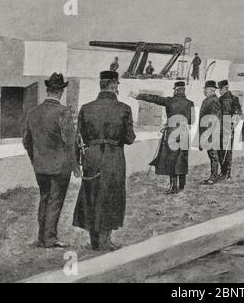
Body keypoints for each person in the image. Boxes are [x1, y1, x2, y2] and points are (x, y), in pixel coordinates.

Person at [73, 71, 136, 251]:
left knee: (91, 193)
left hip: (91, 155)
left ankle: (95, 241)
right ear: (114, 85)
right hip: (113, 156)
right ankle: (105, 240)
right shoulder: (124, 109)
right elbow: (130, 138)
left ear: (101, 84)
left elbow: (78, 137)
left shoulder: (86, 108)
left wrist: (77, 161)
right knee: (111, 196)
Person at [23, 72, 80, 248]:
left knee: (44, 198)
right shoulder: (63, 112)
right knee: (55, 201)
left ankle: (42, 237)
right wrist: (75, 165)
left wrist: (35, 159)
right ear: (61, 92)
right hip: (59, 167)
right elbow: (70, 142)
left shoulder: (33, 112)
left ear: (47, 91)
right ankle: (50, 238)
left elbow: (26, 141)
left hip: (40, 167)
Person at [131, 81, 194, 194]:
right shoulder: (190, 103)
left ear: (176, 90)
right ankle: (182, 185)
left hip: (172, 132)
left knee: (172, 159)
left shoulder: (169, 101)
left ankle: (173, 186)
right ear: (183, 90)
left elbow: (154, 98)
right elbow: (192, 121)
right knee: (182, 158)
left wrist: (138, 96)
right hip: (184, 132)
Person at [218, 79, 243, 180]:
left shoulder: (234, 98)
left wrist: (234, 122)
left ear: (226, 88)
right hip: (220, 126)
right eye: (219, 89)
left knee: (227, 150)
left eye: (221, 89)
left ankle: (227, 172)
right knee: (220, 150)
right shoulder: (219, 99)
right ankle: (222, 171)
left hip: (228, 127)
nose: (220, 91)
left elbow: (238, 112)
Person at [199, 80, 222, 185]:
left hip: (211, 132)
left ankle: (214, 177)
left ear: (211, 90)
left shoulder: (213, 100)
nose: (204, 91)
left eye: (206, 89)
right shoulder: (209, 100)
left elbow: (214, 118)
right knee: (212, 154)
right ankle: (213, 176)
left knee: (213, 155)